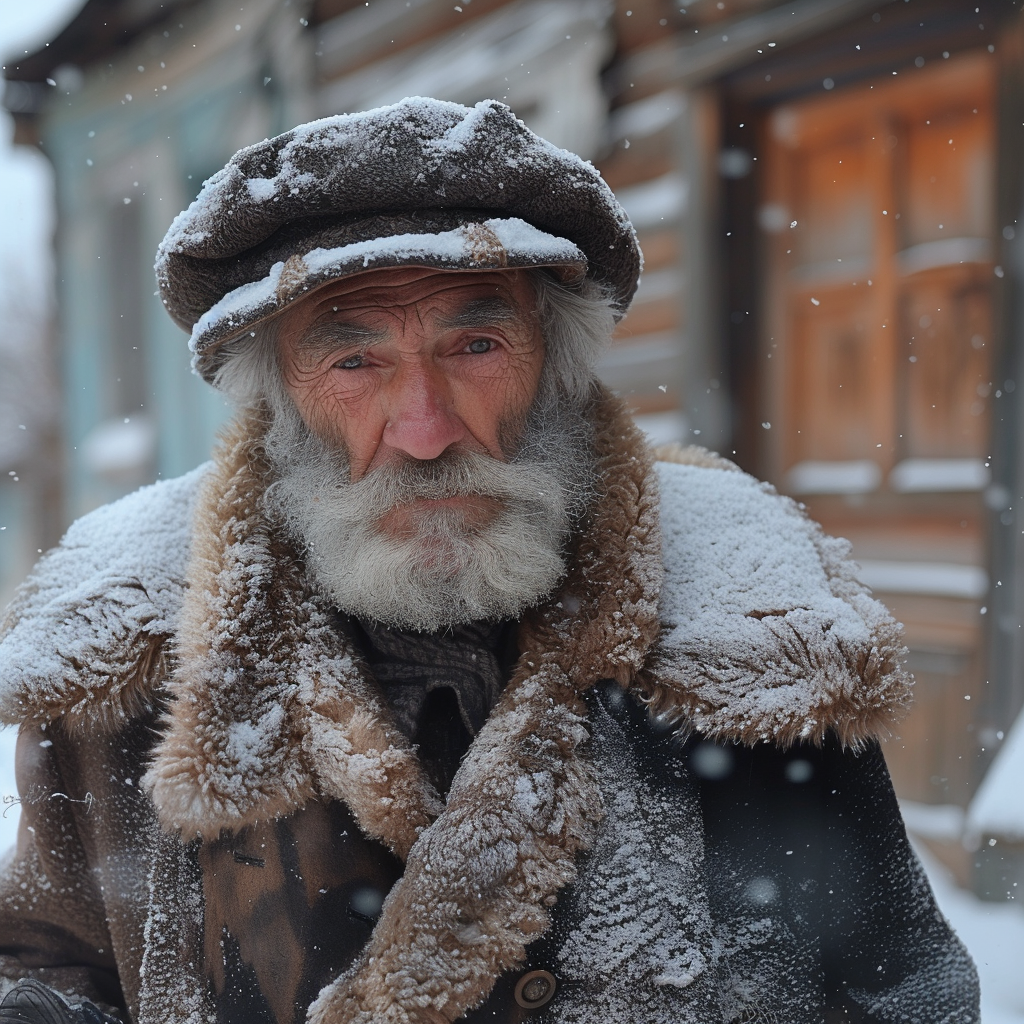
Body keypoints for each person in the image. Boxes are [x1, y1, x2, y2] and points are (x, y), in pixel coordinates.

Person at [0, 98, 979, 1024]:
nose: (425, 431)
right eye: (355, 361)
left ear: (549, 359)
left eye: (473, 343)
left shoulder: (749, 623)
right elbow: (48, 964)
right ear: (280, 396)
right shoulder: (139, 650)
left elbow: (900, 992)